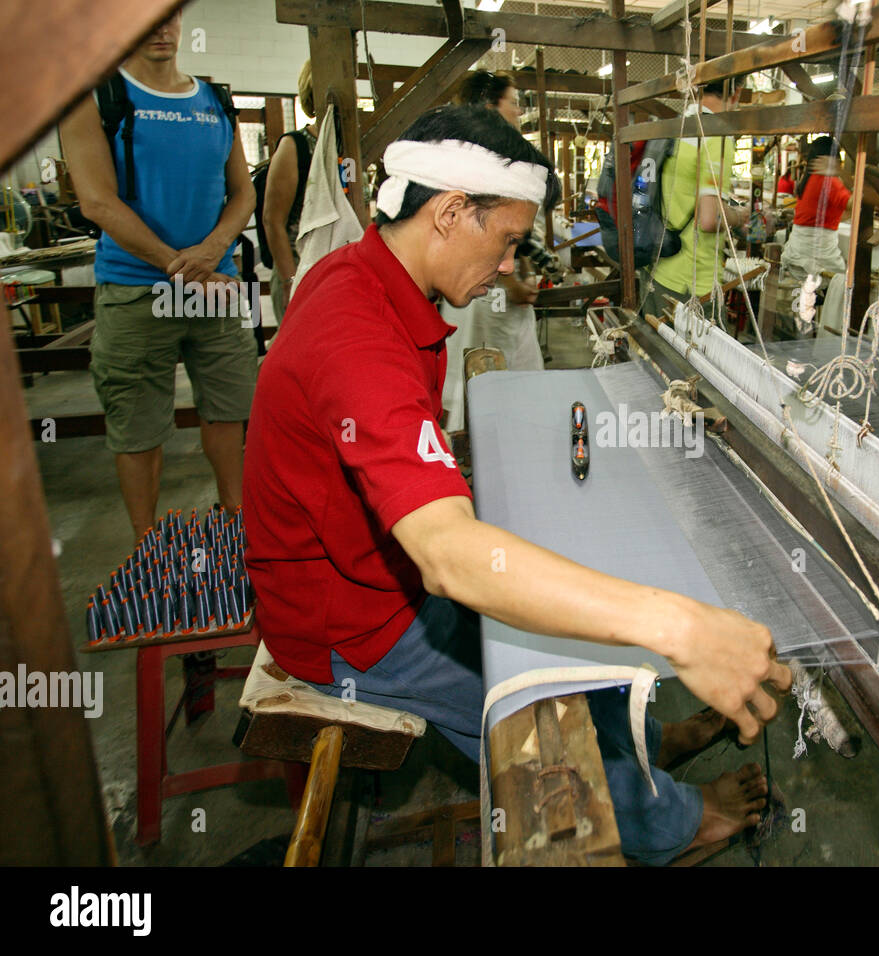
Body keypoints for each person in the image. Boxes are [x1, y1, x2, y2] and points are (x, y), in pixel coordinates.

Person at [242, 105, 790, 866]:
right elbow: (447, 558)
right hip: (351, 627)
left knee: (563, 621)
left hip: (375, 578)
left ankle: (650, 742)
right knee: (539, 700)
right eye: (505, 241)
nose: (508, 266)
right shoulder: (354, 331)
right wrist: (682, 626)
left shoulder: (366, 276)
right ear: (449, 212)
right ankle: (675, 823)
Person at [60, 9, 257, 543]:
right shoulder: (95, 99)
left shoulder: (215, 100)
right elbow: (98, 202)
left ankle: (237, 527)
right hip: (135, 287)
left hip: (212, 286)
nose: (161, 29)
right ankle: (148, 546)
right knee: (137, 426)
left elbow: (242, 193)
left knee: (229, 410)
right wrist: (182, 267)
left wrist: (214, 249)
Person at [440, 71, 542, 432]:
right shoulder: (486, 161)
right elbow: (488, 234)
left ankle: (499, 443)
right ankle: (497, 447)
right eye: (513, 103)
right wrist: (511, 281)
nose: (518, 112)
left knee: (488, 374)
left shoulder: (476, 155)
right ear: (489, 107)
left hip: (486, 289)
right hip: (487, 292)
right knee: (491, 375)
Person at [643, 80, 748, 320]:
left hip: (657, 267)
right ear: (737, 92)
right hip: (691, 285)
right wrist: (737, 215)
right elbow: (709, 220)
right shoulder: (715, 136)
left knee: (654, 354)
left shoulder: (676, 127)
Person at [262, 60, 318, 322]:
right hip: (299, 270)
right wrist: (290, 281)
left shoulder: (353, 147)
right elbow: (273, 220)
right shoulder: (295, 146)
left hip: (337, 273)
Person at [780, 136, 856, 285]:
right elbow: (855, 204)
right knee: (843, 281)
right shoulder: (829, 181)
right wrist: (846, 176)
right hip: (816, 258)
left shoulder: (809, 178)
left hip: (798, 252)